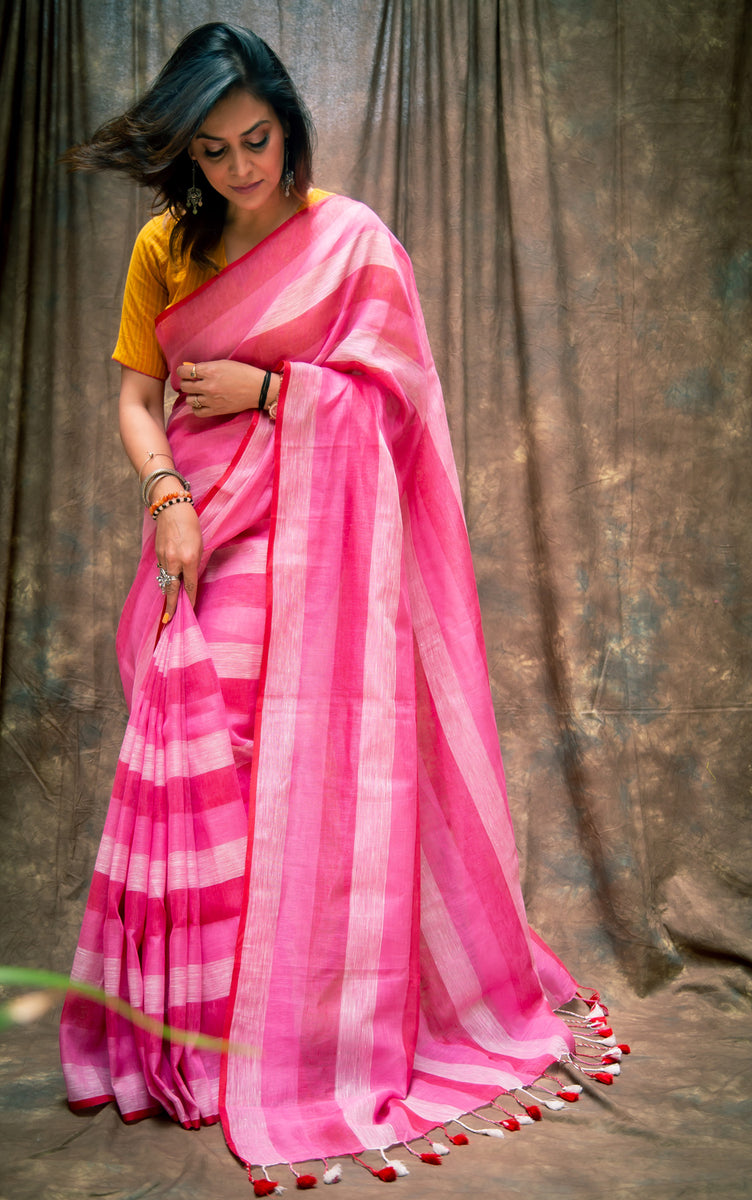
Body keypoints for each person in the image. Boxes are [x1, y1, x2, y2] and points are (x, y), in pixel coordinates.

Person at [60, 22, 624, 1190]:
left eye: (255, 140)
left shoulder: (350, 241)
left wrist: (273, 390)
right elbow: (133, 398)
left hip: (320, 544)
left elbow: (399, 409)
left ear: (288, 124)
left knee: (291, 765)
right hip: (200, 524)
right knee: (199, 763)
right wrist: (166, 488)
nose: (239, 169)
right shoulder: (167, 245)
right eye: (211, 152)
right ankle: (202, 1032)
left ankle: (298, 1034)